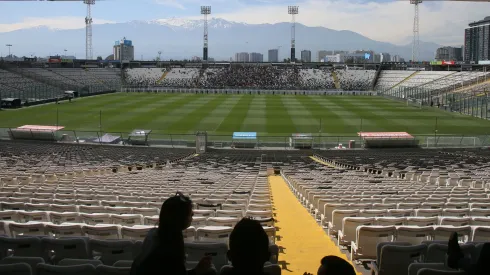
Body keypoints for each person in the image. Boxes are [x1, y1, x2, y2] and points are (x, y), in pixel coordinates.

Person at [130, 192, 212, 275]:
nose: (192, 214)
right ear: (180, 218)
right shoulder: (171, 247)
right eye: (190, 213)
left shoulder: (154, 235)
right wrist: (197, 271)